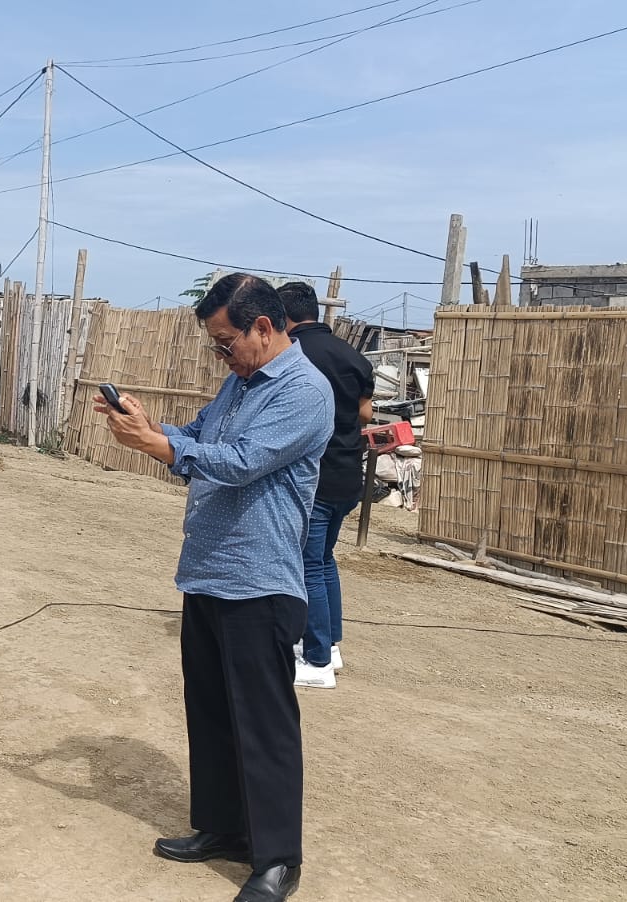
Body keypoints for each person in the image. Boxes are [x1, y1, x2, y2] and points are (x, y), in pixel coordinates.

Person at [97, 273, 333, 902]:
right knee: (210, 712)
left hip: (259, 581)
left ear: (264, 327)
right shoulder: (241, 382)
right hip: (208, 572)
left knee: (264, 725)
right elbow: (200, 438)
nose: (221, 355)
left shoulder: (304, 390)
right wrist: (152, 428)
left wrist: (159, 448)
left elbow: (241, 462)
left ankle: (277, 858)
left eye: (226, 343)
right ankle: (224, 828)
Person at [279, 282, 374, 690]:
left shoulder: (292, 354)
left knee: (307, 566)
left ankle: (317, 661)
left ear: (283, 316)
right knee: (324, 560)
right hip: (348, 474)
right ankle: (330, 645)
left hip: (314, 475)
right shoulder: (353, 356)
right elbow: (366, 414)